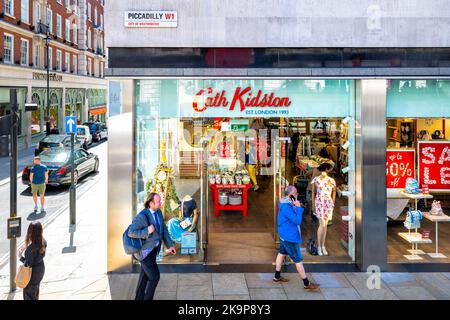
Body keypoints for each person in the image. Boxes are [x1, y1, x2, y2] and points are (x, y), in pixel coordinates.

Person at [128, 192, 176, 300]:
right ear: (151, 203)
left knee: (144, 276)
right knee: (154, 277)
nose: (161, 203)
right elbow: (131, 232)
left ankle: (138, 298)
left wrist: (169, 245)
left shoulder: (158, 212)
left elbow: (163, 229)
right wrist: (146, 231)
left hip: (153, 250)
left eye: (160, 201)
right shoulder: (142, 216)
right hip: (144, 253)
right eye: (158, 201)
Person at [273, 185, 320, 291]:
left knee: (281, 253)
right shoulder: (286, 206)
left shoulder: (286, 203)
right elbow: (297, 221)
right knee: (298, 260)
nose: (297, 195)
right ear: (290, 195)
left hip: (284, 234)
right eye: (296, 193)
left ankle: (277, 276)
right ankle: (306, 283)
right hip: (290, 237)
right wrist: (298, 207)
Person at [18, 222, 47, 300]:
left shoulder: (30, 250)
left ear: (30, 233)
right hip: (40, 270)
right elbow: (36, 256)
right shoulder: (43, 242)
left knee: (29, 295)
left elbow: (29, 265)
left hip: (32, 275)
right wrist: (28, 246)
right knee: (35, 292)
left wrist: (21, 256)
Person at [311, 169, 337, 256]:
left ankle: (322, 246)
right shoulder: (316, 179)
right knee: (322, 224)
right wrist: (313, 206)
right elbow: (313, 193)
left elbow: (334, 191)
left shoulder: (332, 180)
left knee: (325, 226)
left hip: (328, 203)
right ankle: (319, 246)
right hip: (319, 203)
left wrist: (333, 202)